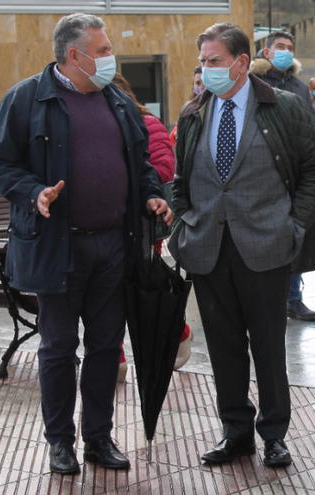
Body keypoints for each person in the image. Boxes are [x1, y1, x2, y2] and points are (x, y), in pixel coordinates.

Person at [0, 13, 171, 475]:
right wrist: (34, 192)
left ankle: (98, 438)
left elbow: (141, 163)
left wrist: (151, 194)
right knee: (59, 347)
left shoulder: (119, 102)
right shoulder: (27, 99)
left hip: (114, 247)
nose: (111, 59)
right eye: (103, 51)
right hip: (57, 249)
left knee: (106, 346)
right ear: (74, 55)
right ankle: (60, 442)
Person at [169, 23, 315, 467]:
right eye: (202, 60)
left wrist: (294, 225)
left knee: (268, 346)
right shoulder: (193, 113)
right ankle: (235, 432)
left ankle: (274, 434)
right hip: (208, 247)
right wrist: (185, 222)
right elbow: (181, 180)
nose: (206, 69)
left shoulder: (285, 107)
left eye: (214, 60)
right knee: (222, 346)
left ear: (241, 62)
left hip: (266, 246)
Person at [111, 74, 193, 377]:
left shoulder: (147, 123)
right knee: (112, 293)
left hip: (140, 226)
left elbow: (163, 169)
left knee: (137, 288)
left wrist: (120, 181)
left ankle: (179, 332)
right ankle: (116, 357)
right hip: (108, 225)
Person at [251, 31, 315, 321]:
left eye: (290, 48)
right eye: (280, 47)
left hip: (295, 172)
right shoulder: (254, 83)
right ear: (266, 52)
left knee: (295, 233)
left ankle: (293, 297)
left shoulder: (299, 87)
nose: (286, 52)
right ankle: (264, 297)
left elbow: (313, 126)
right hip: (264, 171)